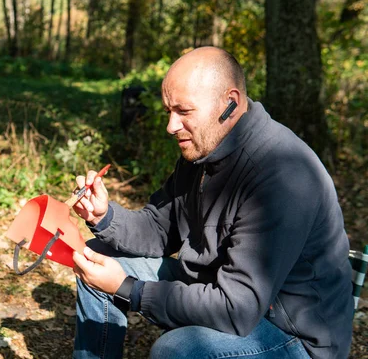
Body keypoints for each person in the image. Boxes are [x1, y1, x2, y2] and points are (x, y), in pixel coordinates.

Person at [70, 47, 353, 359]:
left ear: (229, 102)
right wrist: (104, 216)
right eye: (168, 112)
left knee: (178, 350)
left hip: (291, 335)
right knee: (93, 260)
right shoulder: (204, 152)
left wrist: (130, 289)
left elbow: (237, 309)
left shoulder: (281, 175)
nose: (171, 126)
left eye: (184, 112)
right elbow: (159, 229)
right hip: (221, 291)